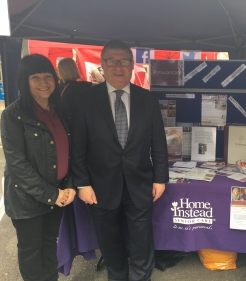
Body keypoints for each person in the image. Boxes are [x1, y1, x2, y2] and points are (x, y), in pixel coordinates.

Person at [71, 40, 169, 281]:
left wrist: (160, 178)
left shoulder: (148, 101)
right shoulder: (85, 100)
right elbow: (78, 147)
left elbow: (158, 144)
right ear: (102, 64)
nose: (118, 66)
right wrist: (82, 184)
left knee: (142, 245)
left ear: (132, 65)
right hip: (100, 187)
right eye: (111, 61)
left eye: (123, 61)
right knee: (110, 245)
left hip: (140, 185)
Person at [1, 54, 75, 281]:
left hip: (58, 194)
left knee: (50, 247)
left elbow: (69, 152)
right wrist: (52, 195)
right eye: (36, 77)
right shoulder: (13, 115)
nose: (44, 83)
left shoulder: (60, 110)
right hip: (28, 200)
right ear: (25, 81)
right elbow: (17, 165)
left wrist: (69, 186)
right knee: (32, 253)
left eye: (47, 76)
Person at [57, 57, 104, 123]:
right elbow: (102, 84)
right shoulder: (78, 86)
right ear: (74, 69)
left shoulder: (62, 86)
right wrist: (95, 71)